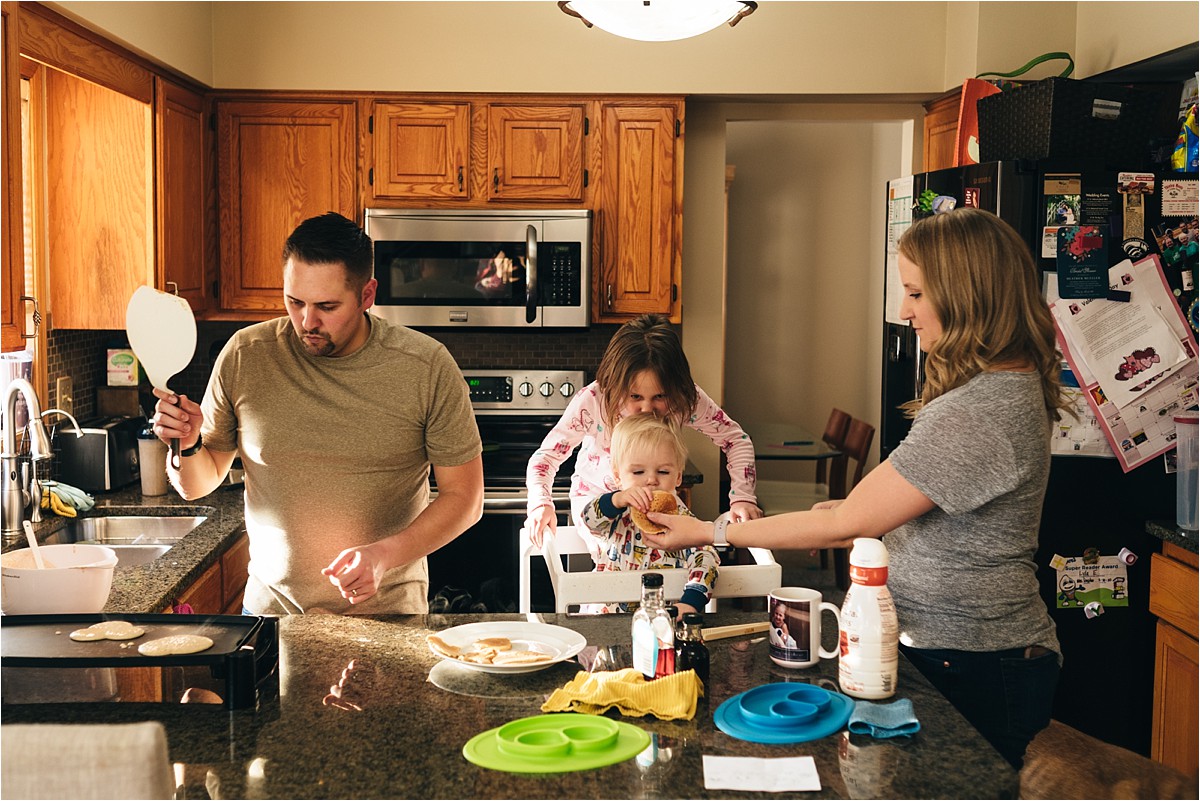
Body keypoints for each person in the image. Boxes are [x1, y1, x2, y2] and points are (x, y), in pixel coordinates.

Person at [642, 207, 1065, 770]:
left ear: (967, 296)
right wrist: (857, 508)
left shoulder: (976, 412)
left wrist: (708, 529)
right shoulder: (1000, 392)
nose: (903, 311)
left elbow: (846, 527)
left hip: (976, 660)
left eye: (915, 293)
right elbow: (912, 508)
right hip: (972, 652)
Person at [151, 212, 484, 615]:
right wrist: (185, 445)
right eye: (295, 302)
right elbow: (197, 484)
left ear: (366, 295)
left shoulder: (425, 366)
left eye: (327, 306)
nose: (307, 322)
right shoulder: (245, 355)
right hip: (271, 618)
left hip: (387, 618)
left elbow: (465, 498)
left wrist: (383, 555)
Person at [525, 313, 763, 552]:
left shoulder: (685, 398)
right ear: (614, 385)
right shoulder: (593, 401)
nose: (647, 408)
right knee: (617, 564)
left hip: (657, 499)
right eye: (635, 397)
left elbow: (735, 440)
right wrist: (540, 503)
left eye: (660, 396)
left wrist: (742, 497)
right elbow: (545, 458)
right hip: (597, 501)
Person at [579, 413, 719, 617]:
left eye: (663, 472)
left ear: (678, 476)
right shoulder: (616, 514)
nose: (651, 480)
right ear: (618, 477)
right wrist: (616, 499)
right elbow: (589, 520)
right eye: (638, 473)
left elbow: (706, 558)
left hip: (662, 621)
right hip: (608, 617)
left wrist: (691, 602)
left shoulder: (683, 521)